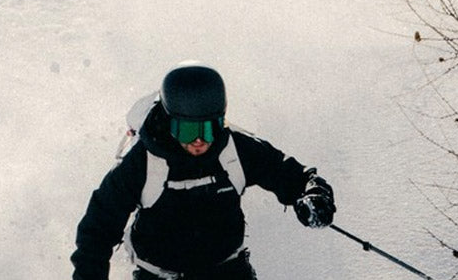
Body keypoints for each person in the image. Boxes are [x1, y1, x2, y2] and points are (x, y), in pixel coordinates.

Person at [72, 64, 337, 280]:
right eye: (188, 130)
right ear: (170, 122)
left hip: (227, 271)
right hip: (161, 275)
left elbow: (294, 176)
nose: (199, 141)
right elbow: (98, 228)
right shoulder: (142, 163)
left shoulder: (235, 150)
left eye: (208, 128)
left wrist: (314, 197)